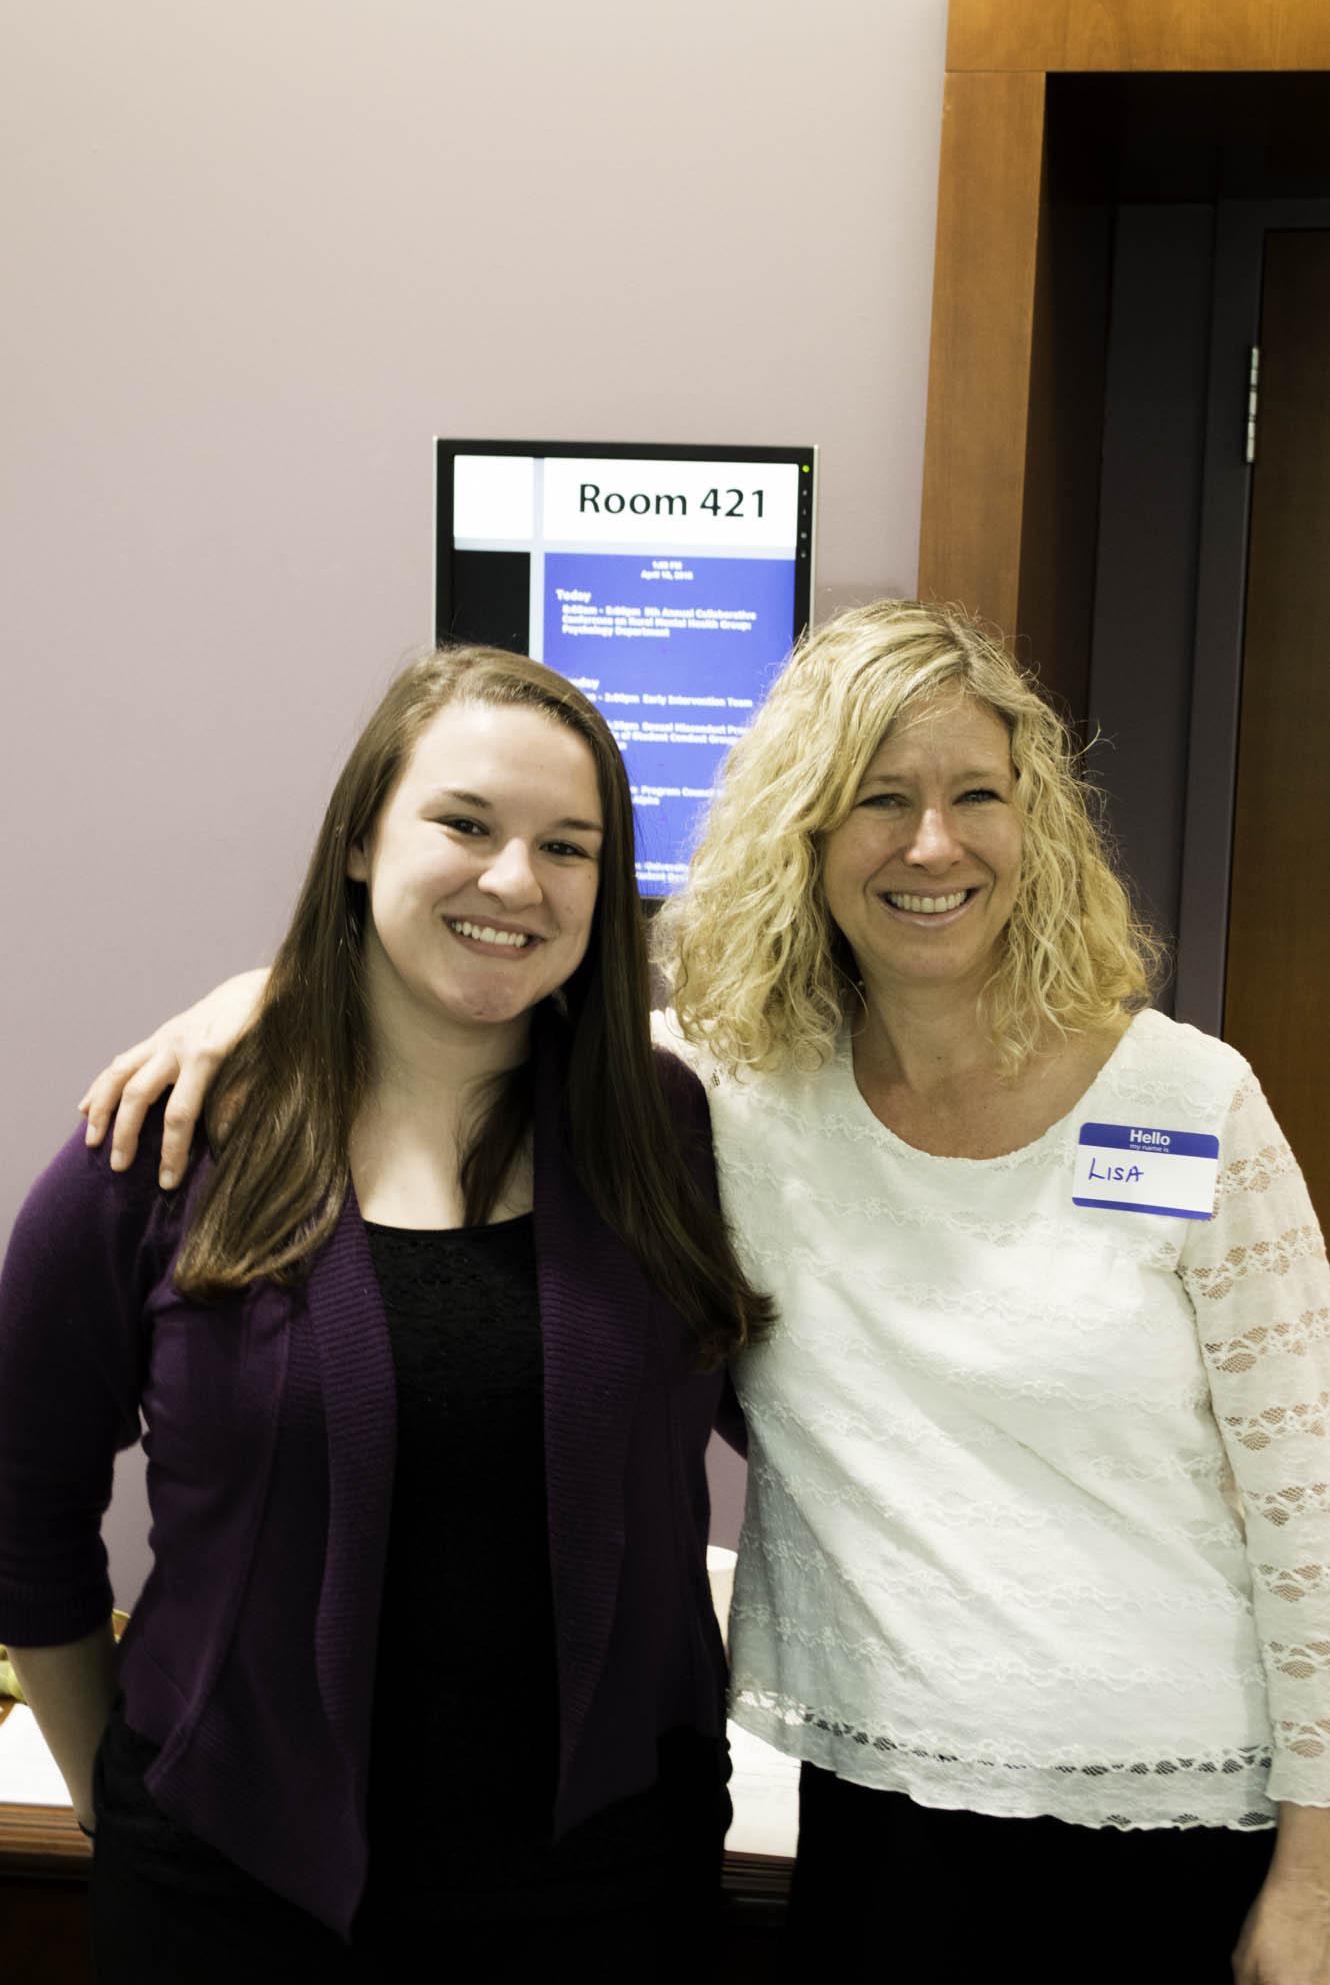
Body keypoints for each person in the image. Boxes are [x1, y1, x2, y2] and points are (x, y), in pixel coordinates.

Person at [74, 601, 1330, 1983]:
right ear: (802, 834)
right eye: (876, 800)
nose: (932, 843)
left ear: (1037, 826)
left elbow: (1312, 1502)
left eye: (978, 795)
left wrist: (1314, 1873)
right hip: (884, 1811)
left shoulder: (1185, 1104)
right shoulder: (727, 1100)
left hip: (1176, 1820)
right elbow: (475, 993)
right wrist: (268, 997)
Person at [0, 645, 771, 1983]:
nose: (515, 880)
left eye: (569, 847)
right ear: (362, 842)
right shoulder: (167, 1136)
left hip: (606, 1899)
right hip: (232, 1899)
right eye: (463, 825)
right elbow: (21, 1497)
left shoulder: (665, 1131)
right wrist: (111, 1790)